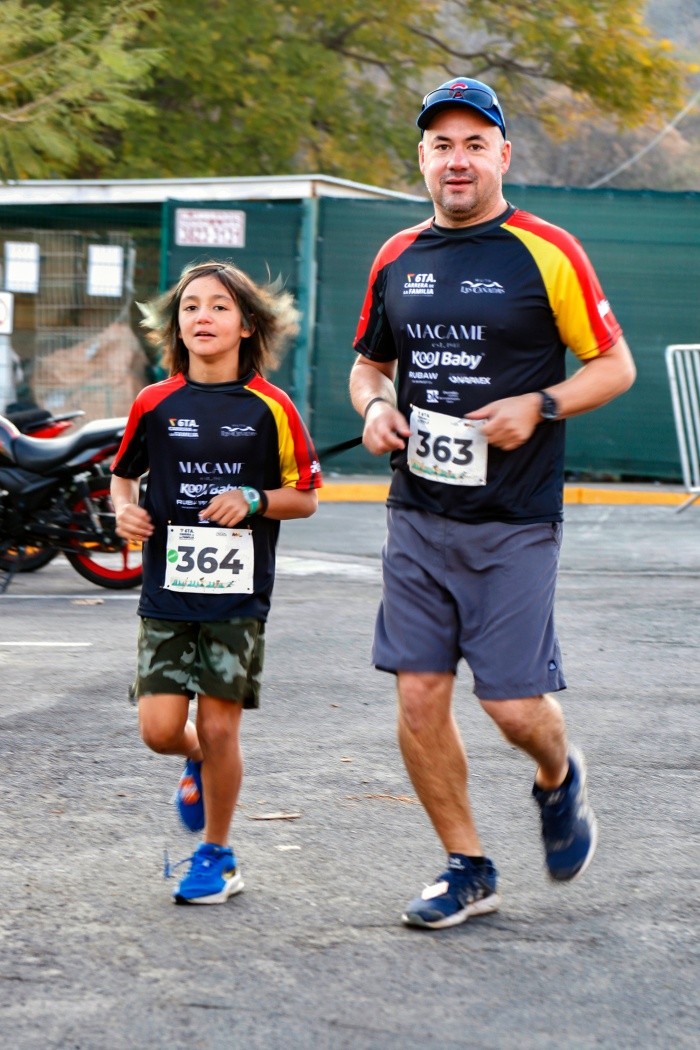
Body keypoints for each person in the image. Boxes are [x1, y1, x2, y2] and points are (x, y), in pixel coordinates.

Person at [349, 77, 636, 929]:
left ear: (503, 155)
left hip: (514, 518)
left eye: (475, 144)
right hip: (417, 512)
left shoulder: (547, 250)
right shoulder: (396, 256)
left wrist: (540, 404)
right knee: (418, 696)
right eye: (442, 145)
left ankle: (558, 775)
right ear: (423, 157)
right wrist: (374, 407)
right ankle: (466, 866)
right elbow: (369, 365)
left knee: (510, 705)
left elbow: (614, 366)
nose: (457, 160)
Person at [111, 260, 321, 905]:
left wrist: (255, 499)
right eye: (191, 306)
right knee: (158, 730)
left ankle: (217, 854)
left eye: (220, 306)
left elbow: (305, 496)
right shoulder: (154, 402)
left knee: (222, 728)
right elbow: (123, 476)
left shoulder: (272, 407)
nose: (203, 316)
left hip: (236, 597)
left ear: (248, 324)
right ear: (176, 324)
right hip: (166, 592)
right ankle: (196, 758)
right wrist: (123, 510)